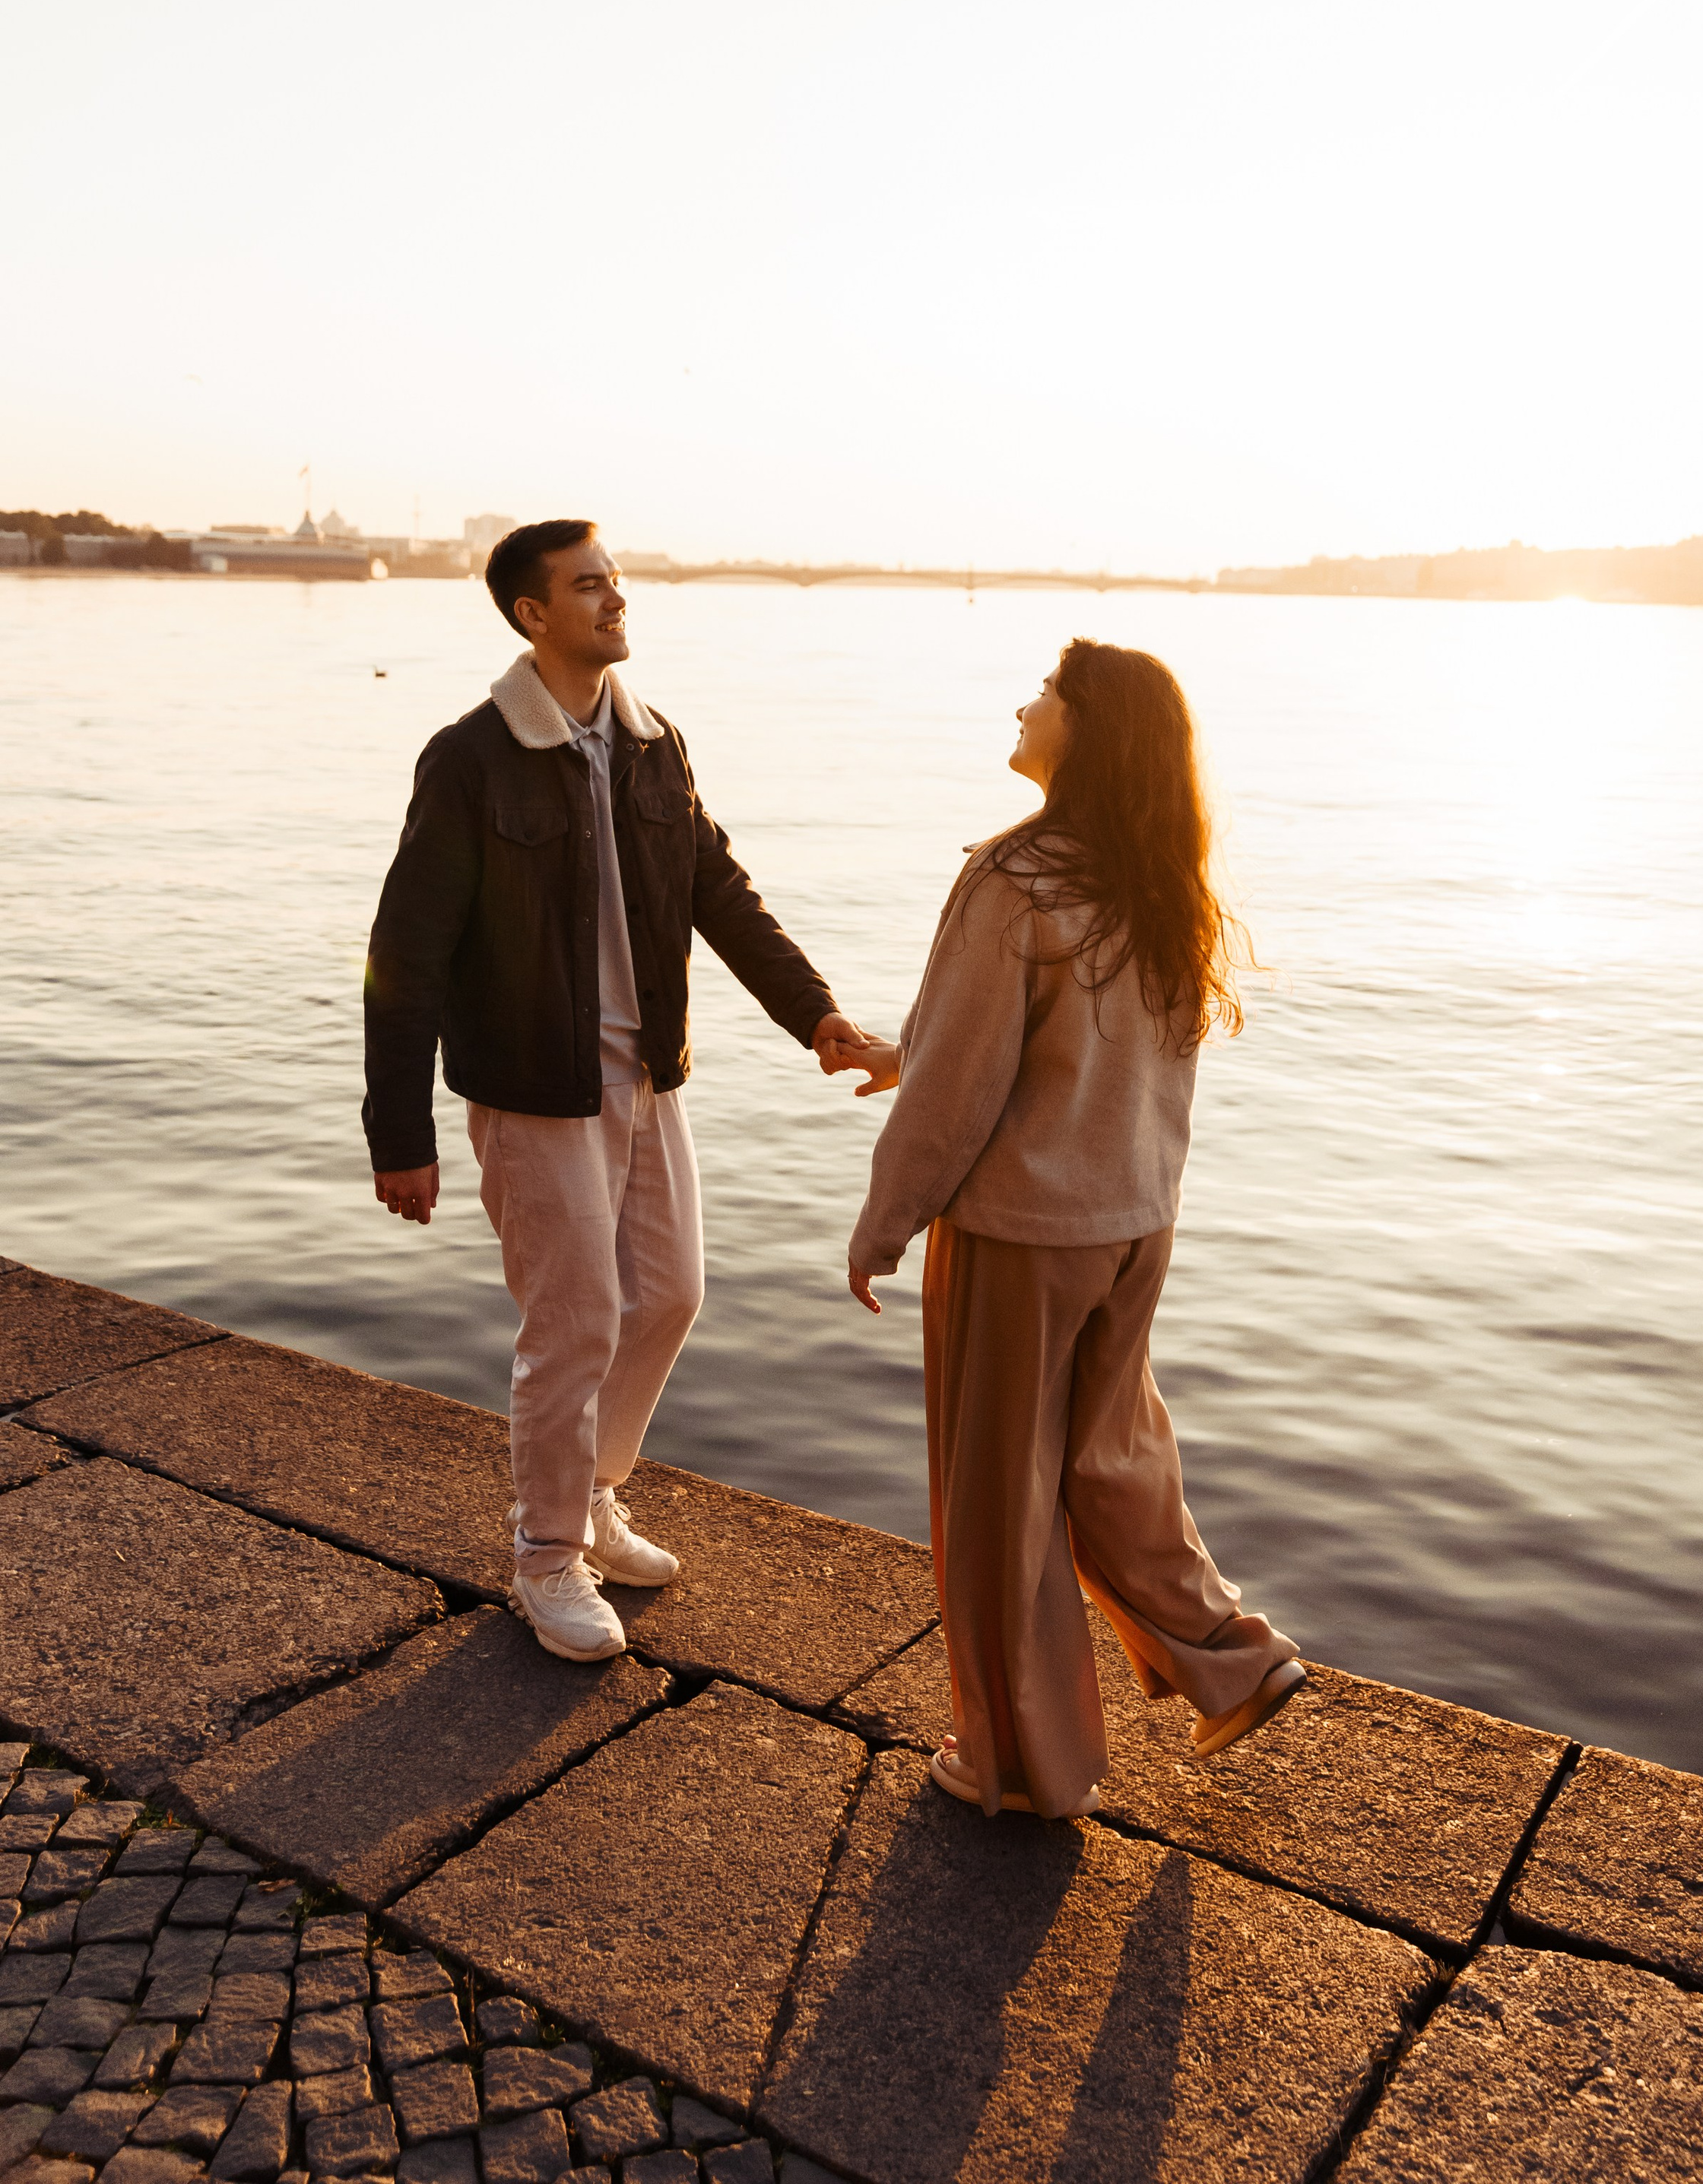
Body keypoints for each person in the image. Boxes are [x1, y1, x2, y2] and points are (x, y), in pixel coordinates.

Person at [363, 518, 881, 1662]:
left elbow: (721, 891)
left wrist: (817, 1017)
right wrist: (399, 1132)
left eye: (617, 580)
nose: (615, 599)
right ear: (530, 615)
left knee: (670, 1294)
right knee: (575, 1320)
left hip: (645, 1077)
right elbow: (405, 954)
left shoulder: (654, 747)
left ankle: (594, 1494)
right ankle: (545, 1557)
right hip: (533, 1085)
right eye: (588, 586)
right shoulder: (472, 757)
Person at [844, 637, 1303, 1819]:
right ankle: (1233, 1658)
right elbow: (1075, 1058)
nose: (1022, 703)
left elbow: (959, 1094)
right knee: (1113, 1460)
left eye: (1044, 693)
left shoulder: (1019, 877)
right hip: (1133, 1221)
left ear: (1084, 727)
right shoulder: (1155, 874)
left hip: (1021, 1232)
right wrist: (914, 1055)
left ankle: (1018, 1766)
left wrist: (884, 1223)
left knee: (998, 1504)